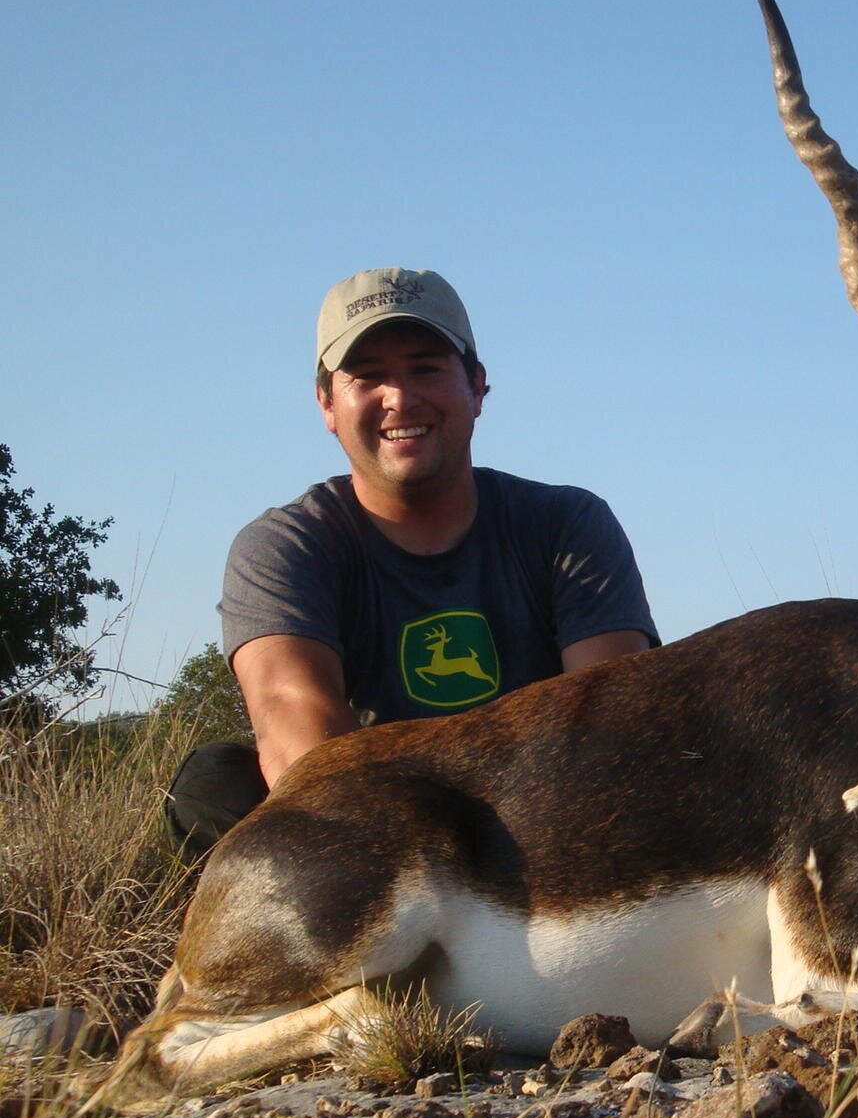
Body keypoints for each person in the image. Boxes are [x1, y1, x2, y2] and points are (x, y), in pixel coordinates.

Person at [165, 267, 657, 855]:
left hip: (548, 828)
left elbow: (609, 727)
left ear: (476, 387)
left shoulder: (569, 524)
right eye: (367, 377)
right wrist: (428, 862)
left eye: (426, 368)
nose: (399, 398)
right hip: (372, 841)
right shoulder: (282, 546)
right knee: (213, 785)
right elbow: (295, 726)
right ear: (326, 403)